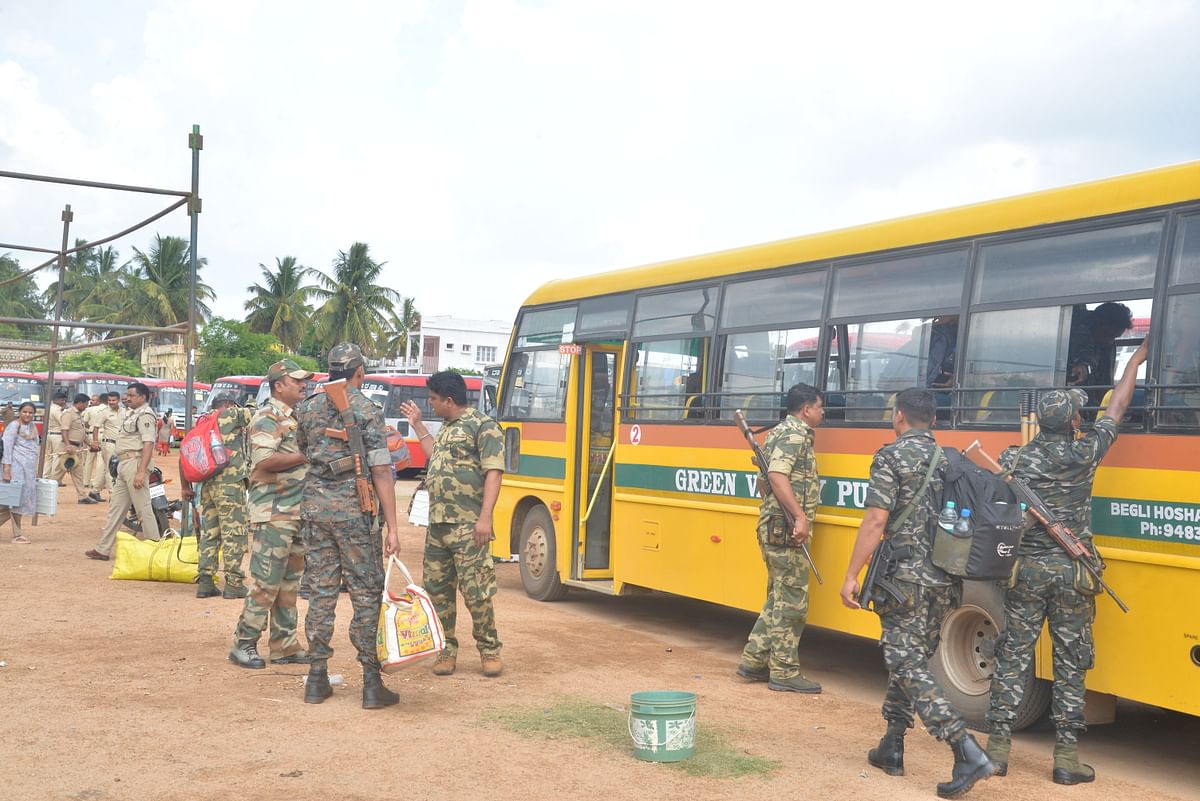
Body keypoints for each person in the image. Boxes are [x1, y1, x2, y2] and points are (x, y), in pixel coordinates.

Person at [984, 338, 1149, 785]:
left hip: (1026, 574)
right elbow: (1117, 407)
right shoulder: (1085, 453)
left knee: (1013, 655)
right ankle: (1066, 758)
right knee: (1071, 661)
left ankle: (996, 751)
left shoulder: (1016, 459)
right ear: (1074, 420)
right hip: (1073, 574)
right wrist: (1134, 360)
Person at [840, 387, 994, 798]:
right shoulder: (951, 461)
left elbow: (876, 520)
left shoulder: (891, 457)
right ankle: (892, 745)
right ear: (935, 421)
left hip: (903, 579)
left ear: (899, 416)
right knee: (911, 658)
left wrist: (852, 574)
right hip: (946, 580)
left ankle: (964, 747)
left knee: (903, 659)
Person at [296, 343, 400, 708]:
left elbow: (305, 451)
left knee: (321, 593)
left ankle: (316, 678)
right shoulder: (367, 409)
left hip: (315, 512)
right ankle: (371, 683)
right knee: (365, 593)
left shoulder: (307, 407)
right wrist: (393, 528)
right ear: (359, 371)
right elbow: (381, 469)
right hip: (356, 513)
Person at [402, 371, 506, 679]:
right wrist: (418, 424)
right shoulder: (447, 428)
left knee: (476, 592)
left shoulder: (483, 427)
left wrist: (485, 518)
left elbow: (494, 473)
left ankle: (489, 651)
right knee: (437, 592)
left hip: (468, 526)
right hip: (438, 526)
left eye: (433, 399)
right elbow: (434, 456)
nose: (431, 404)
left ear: (449, 400)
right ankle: (446, 651)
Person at [735, 382, 825, 693]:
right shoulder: (795, 434)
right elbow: (776, 476)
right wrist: (798, 516)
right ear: (806, 410)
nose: (822, 412)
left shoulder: (774, 434)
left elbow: (764, 484)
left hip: (774, 525)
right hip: (785, 530)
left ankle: (754, 659)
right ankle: (784, 671)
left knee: (777, 596)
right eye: (820, 407)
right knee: (792, 602)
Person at [229, 359, 313, 669]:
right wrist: (307, 454)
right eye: (297, 381)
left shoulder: (295, 417)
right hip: (273, 512)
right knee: (266, 582)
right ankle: (244, 643)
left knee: (289, 583)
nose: (303, 385)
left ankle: (285, 646)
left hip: (294, 511)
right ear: (279, 385)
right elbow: (264, 462)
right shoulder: (267, 417)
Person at [183, 394, 251, 599]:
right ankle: (234, 583)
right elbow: (256, 414)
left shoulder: (203, 421)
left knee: (210, 533)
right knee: (234, 533)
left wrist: (185, 486)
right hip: (230, 485)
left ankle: (205, 581)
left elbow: (184, 455)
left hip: (208, 485)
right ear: (229, 405)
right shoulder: (231, 414)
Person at [86, 382, 160, 561]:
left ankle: (156, 550)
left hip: (135, 463)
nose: (127, 397)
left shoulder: (145, 415)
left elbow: (148, 443)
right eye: (127, 395)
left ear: (142, 397)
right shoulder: (131, 414)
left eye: (131, 395)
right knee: (116, 509)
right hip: (124, 464)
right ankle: (103, 549)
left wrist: (141, 472)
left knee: (143, 509)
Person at [1066, 302, 1133, 402]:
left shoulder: (1108, 345)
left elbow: (1105, 383)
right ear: (1097, 324)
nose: (1109, 341)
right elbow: (1084, 353)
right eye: (1108, 335)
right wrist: (1082, 365)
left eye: (1114, 337)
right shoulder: (1077, 330)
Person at [1, 402, 40, 544]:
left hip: (28, 470)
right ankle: (17, 534)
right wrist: (6, 470)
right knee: (14, 501)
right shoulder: (13, 426)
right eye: (25, 412)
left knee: (14, 502)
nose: (27, 415)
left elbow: (35, 447)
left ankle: (17, 534)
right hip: (14, 469)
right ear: (20, 412)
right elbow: (7, 448)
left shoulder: (32, 427)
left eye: (30, 413)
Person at [53, 393, 99, 505]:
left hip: (76, 448)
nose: (87, 406)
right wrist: (68, 445)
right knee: (57, 474)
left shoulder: (78, 415)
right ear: (80, 403)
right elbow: (64, 430)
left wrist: (90, 444)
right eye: (86, 404)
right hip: (67, 448)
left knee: (78, 474)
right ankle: (46, 495)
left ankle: (82, 497)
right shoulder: (68, 413)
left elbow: (82, 434)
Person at [81, 395, 110, 502]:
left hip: (91, 435)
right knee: (101, 461)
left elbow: (85, 423)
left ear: (99, 401)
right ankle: (98, 484)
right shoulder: (108, 410)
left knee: (88, 460)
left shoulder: (89, 410)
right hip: (104, 435)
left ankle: (86, 481)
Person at [93, 392, 122, 497]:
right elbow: (96, 427)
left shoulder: (125, 412)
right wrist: (95, 442)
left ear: (118, 400)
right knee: (111, 469)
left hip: (122, 444)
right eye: (109, 400)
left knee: (117, 468)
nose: (111, 402)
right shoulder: (104, 412)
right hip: (109, 444)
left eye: (113, 400)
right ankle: (113, 495)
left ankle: (95, 490)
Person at [41, 391, 68, 479]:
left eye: (64, 400)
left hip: (49, 434)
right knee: (58, 456)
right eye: (62, 400)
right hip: (57, 435)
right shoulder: (57, 410)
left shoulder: (49, 408)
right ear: (56, 400)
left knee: (49, 457)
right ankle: (54, 478)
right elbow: (63, 422)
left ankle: (45, 476)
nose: (63, 402)